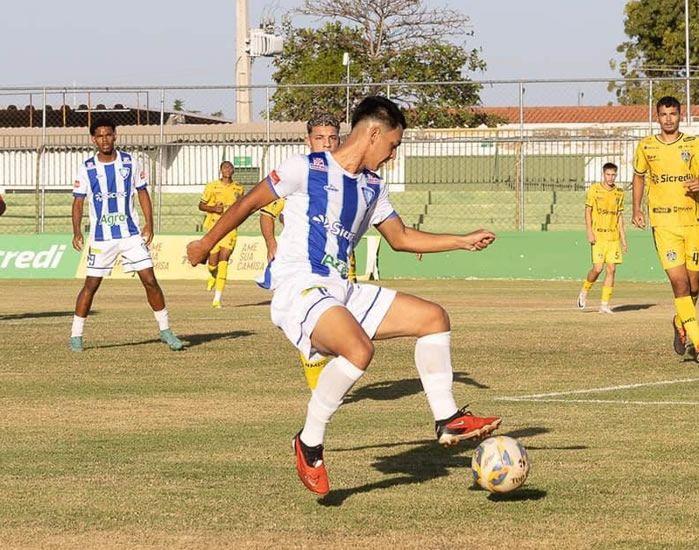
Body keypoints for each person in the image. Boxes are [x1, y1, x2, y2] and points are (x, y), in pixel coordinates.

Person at [187, 96, 501, 496]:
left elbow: (400, 238)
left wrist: (462, 241)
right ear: (373, 133)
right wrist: (205, 243)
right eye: (392, 145)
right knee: (358, 350)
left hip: (341, 289)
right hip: (300, 286)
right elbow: (249, 202)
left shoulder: (372, 187)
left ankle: (448, 419)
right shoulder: (305, 168)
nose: (392, 155)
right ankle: (309, 443)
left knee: (433, 318)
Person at [257, 112, 355, 390]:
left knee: (342, 328)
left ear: (340, 140)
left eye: (332, 138)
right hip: (304, 268)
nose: (327, 143)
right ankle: (319, 390)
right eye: (319, 138)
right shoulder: (298, 174)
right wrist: (271, 244)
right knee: (323, 327)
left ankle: (323, 384)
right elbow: (266, 211)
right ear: (307, 141)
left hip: (339, 262)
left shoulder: (352, 175)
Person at [69, 117, 183, 352]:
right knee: (91, 285)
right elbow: (78, 202)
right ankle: (76, 335)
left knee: (150, 280)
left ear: (115, 136)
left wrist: (149, 224)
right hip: (102, 237)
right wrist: (77, 231)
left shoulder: (130, 163)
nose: (105, 139)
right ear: (93, 139)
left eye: (108, 134)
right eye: (99, 136)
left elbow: (142, 193)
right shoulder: (87, 168)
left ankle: (165, 331)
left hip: (130, 235)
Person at [631, 96, 699, 365]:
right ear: (657, 117)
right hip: (664, 224)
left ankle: (680, 320)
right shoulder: (646, 146)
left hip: (692, 222)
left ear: (681, 116)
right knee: (679, 284)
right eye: (664, 114)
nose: (668, 118)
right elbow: (639, 177)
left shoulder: (693, 144)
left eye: (673, 114)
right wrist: (636, 209)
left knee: (694, 286)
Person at [577, 162, 628, 314]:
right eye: (608, 174)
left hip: (613, 237)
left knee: (611, 269)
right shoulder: (594, 189)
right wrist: (589, 232)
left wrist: (623, 239)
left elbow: (619, 216)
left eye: (613, 175)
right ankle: (585, 290)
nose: (611, 177)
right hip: (599, 235)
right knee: (598, 268)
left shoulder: (619, 192)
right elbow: (588, 211)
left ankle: (604, 305)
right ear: (603, 174)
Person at [198, 160, 244, 308]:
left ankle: (217, 299)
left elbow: (242, 206)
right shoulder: (212, 186)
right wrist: (213, 209)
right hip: (214, 228)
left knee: (224, 259)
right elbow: (201, 205)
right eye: (225, 167)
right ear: (220, 170)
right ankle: (212, 274)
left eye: (230, 167)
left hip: (230, 229)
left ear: (233, 170)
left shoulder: (239, 188)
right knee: (213, 263)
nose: (227, 169)